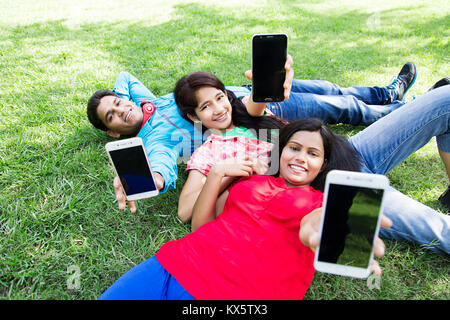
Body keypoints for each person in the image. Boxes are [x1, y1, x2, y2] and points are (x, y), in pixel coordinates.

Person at [98, 119, 392, 300]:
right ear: (281, 150)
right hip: (174, 265)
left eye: (312, 153)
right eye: (294, 148)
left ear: (323, 165)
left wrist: (321, 226)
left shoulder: (319, 202)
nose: (301, 157)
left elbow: (314, 225)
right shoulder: (250, 181)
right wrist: (217, 174)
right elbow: (202, 228)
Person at [87, 58, 416, 197]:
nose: (122, 110)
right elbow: (161, 168)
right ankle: (407, 109)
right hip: (255, 112)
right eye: (113, 116)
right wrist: (149, 179)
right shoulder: (156, 139)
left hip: (254, 103)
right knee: (339, 108)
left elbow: (126, 79)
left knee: (330, 89)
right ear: (113, 132)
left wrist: (125, 99)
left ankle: (386, 94)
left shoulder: (145, 101)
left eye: (117, 102)